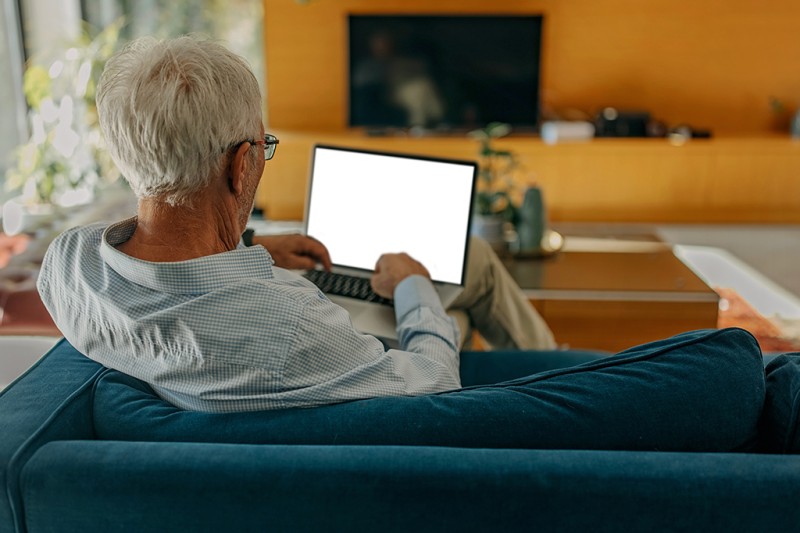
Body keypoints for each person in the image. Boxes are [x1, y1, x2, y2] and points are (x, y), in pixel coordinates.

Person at [36, 35, 554, 413]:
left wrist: (252, 242)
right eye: (263, 147)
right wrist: (413, 285)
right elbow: (435, 384)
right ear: (241, 166)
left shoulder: (66, 267)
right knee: (464, 280)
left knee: (475, 263)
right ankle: (557, 377)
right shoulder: (289, 324)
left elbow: (166, 225)